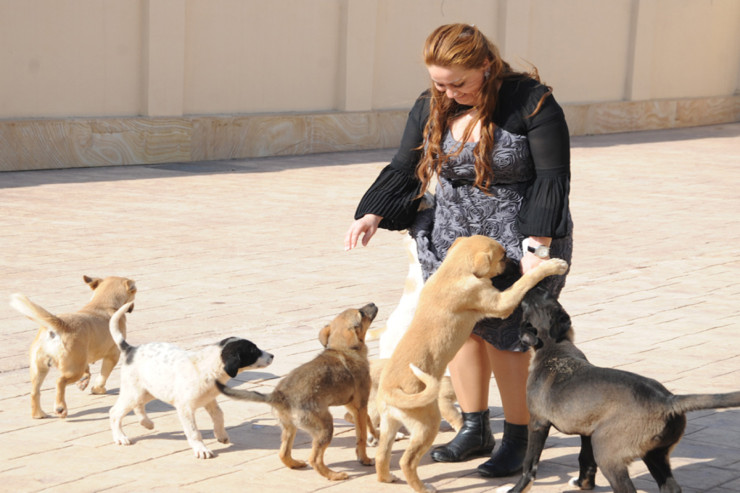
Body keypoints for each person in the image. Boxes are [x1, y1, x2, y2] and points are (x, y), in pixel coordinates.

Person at [344, 23, 572, 478]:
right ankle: (474, 426)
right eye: (438, 82)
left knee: (507, 336)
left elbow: (552, 176)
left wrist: (537, 245)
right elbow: (405, 164)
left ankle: (518, 437)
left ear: (486, 66)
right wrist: (372, 211)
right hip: (451, 237)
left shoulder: (532, 102)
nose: (447, 92)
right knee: (461, 327)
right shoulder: (433, 103)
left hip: (515, 239)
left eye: (458, 82)